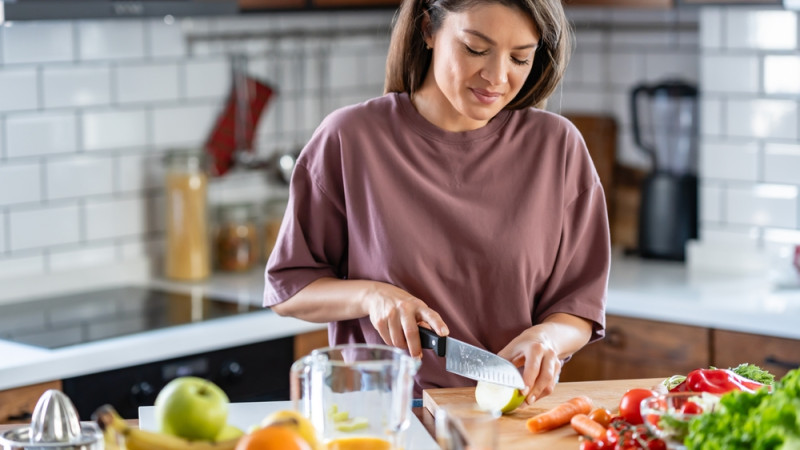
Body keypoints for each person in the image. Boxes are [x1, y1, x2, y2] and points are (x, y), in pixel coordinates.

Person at [264, 0, 610, 405]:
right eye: (476, 49)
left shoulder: (558, 147)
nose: (497, 76)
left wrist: (546, 338)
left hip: (509, 417)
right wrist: (371, 296)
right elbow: (289, 290)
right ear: (428, 29)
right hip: (383, 418)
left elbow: (579, 306)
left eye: (520, 57)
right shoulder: (349, 138)